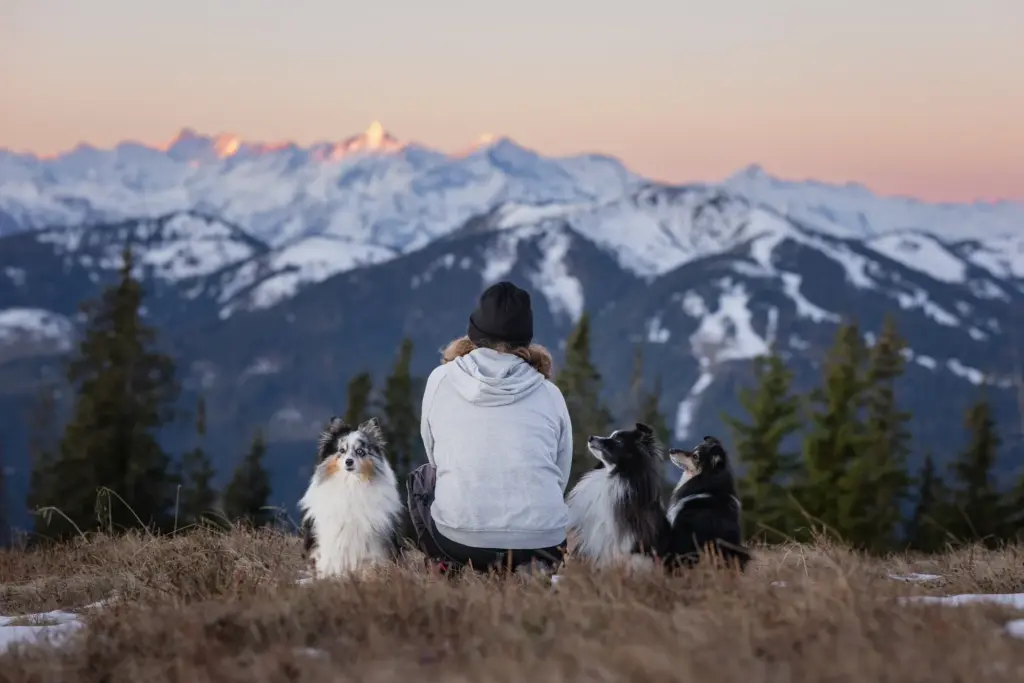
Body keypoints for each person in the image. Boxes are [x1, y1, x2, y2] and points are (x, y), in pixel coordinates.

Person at [407, 281, 573, 574]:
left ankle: (446, 563)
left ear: (474, 332)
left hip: (460, 540)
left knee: (424, 478)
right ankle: (534, 572)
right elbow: (559, 473)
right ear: (525, 340)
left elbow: (435, 455)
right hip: (543, 544)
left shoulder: (440, 380)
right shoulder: (549, 393)